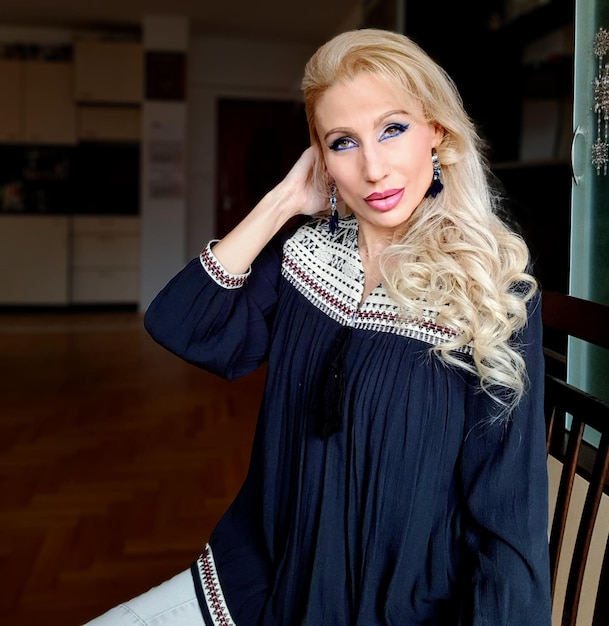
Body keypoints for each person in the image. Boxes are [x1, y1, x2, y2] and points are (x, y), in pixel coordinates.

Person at [86, 28, 552, 626]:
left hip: (397, 605)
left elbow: (508, 510)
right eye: (343, 142)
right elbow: (181, 323)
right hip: (262, 577)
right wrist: (282, 201)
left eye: (393, 128)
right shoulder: (308, 258)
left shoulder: (491, 290)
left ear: (436, 129)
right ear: (321, 157)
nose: (374, 168)